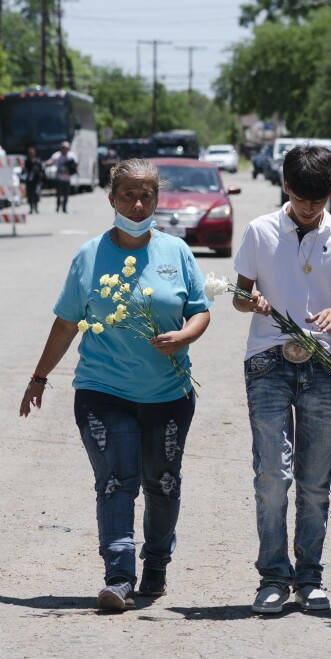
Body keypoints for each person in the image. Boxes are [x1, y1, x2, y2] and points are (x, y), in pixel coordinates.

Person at [19, 158, 212, 611]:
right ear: (111, 199)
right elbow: (67, 323)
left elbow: (200, 309)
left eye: (147, 195)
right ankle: (119, 577)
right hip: (102, 393)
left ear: (157, 199)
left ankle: (157, 566)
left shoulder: (177, 252)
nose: (138, 203)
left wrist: (185, 335)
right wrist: (39, 376)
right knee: (115, 482)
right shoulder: (88, 256)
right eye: (128, 194)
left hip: (169, 394)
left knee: (163, 483)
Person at [233, 145, 331, 614]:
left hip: (323, 366)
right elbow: (239, 296)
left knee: (315, 480)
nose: (310, 207)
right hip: (268, 362)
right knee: (272, 475)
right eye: (301, 196)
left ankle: (309, 576)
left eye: (319, 198)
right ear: (286, 186)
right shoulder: (260, 230)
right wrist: (255, 304)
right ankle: (272, 575)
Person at [47, 140, 77, 213]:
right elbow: (50, 162)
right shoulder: (57, 155)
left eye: (66, 148)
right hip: (59, 178)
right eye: (63, 148)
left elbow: (76, 164)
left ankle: (64, 208)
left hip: (67, 178)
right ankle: (57, 207)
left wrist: (71, 165)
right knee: (59, 194)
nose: (64, 149)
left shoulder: (71, 156)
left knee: (66, 195)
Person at [23, 146, 44, 214]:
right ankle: (31, 208)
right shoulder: (27, 161)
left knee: (36, 194)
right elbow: (25, 169)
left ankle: (36, 208)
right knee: (30, 195)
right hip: (29, 181)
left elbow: (41, 170)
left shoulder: (37, 160)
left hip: (36, 180)